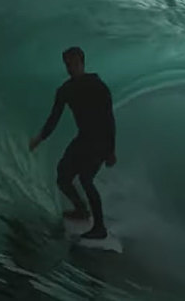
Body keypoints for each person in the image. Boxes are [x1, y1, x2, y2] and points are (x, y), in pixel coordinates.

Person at [29, 46, 117, 240]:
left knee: (86, 178)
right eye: (68, 65)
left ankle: (99, 227)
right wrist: (40, 138)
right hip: (84, 139)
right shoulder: (65, 90)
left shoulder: (97, 86)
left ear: (82, 63)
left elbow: (109, 119)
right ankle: (81, 210)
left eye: (75, 64)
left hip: (100, 140)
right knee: (62, 177)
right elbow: (54, 118)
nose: (71, 69)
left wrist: (111, 150)